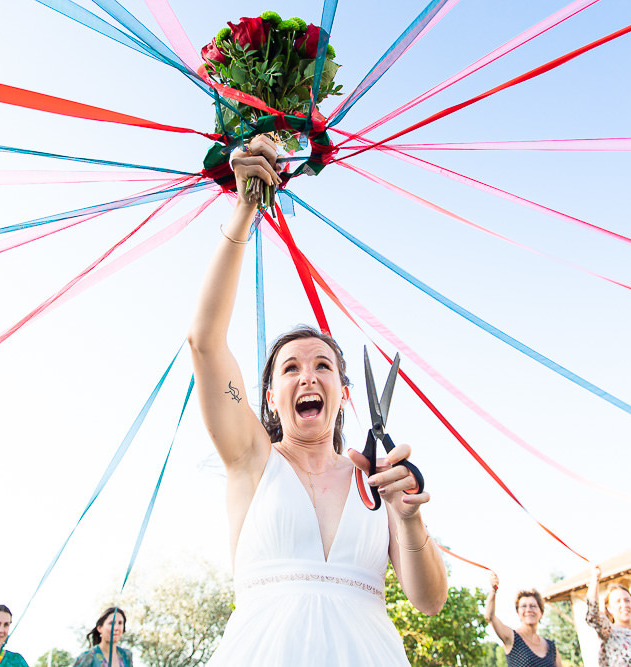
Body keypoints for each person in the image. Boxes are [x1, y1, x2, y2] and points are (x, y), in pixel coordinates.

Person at [187, 135, 447, 666]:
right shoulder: (251, 459)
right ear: (270, 396)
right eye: (291, 368)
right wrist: (244, 208)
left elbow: (430, 600)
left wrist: (410, 517)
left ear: (344, 394)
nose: (308, 376)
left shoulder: (376, 480)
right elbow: (205, 341)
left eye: (323, 366)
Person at [585, 566, 631, 667]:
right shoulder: (610, 633)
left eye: (627, 600)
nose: (624, 605)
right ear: (609, 608)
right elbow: (593, 613)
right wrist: (595, 579)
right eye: (618, 601)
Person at [484, 572, 562, 667]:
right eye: (523, 606)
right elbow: (490, 616)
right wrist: (493, 590)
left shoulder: (551, 647)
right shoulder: (512, 638)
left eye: (533, 606)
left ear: (541, 612)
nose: (528, 610)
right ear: (518, 612)